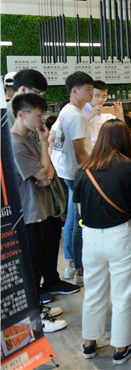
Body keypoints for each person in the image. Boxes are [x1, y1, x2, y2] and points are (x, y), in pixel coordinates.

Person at [73, 120, 131, 364]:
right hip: (121, 234)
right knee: (123, 294)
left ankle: (89, 343)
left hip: (91, 236)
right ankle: (121, 348)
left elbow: (80, 211)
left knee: (93, 290)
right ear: (124, 139)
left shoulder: (83, 169)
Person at [11, 94, 77, 331]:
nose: (42, 121)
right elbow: (43, 175)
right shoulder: (15, 143)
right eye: (39, 115)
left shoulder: (28, 137)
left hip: (43, 209)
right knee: (33, 267)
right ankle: (36, 318)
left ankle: (39, 307)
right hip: (30, 213)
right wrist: (45, 145)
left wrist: (42, 145)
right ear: (22, 114)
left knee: (42, 260)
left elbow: (46, 176)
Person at [51, 71, 94, 286]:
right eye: (88, 89)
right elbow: (80, 152)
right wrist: (91, 174)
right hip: (77, 173)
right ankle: (79, 269)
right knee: (78, 222)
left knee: (71, 220)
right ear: (74, 91)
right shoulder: (75, 115)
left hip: (65, 171)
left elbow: (52, 137)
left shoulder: (66, 111)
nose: (91, 93)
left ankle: (70, 264)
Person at [83, 80, 124, 145]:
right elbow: (75, 129)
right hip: (86, 148)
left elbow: (121, 131)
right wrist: (91, 114)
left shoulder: (107, 111)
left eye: (104, 97)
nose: (101, 100)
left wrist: (120, 115)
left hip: (104, 148)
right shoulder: (81, 109)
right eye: (97, 96)